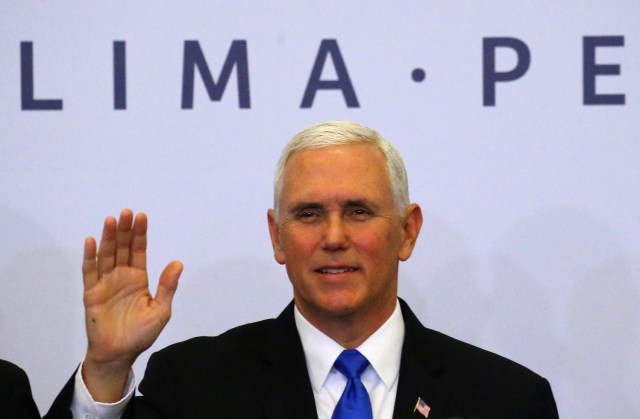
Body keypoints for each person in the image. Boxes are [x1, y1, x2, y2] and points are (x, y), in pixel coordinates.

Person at [46, 121, 559, 418]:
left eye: (359, 211)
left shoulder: (507, 401)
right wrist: (108, 370)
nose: (334, 238)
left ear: (407, 231)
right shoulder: (193, 386)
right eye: (309, 214)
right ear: (277, 237)